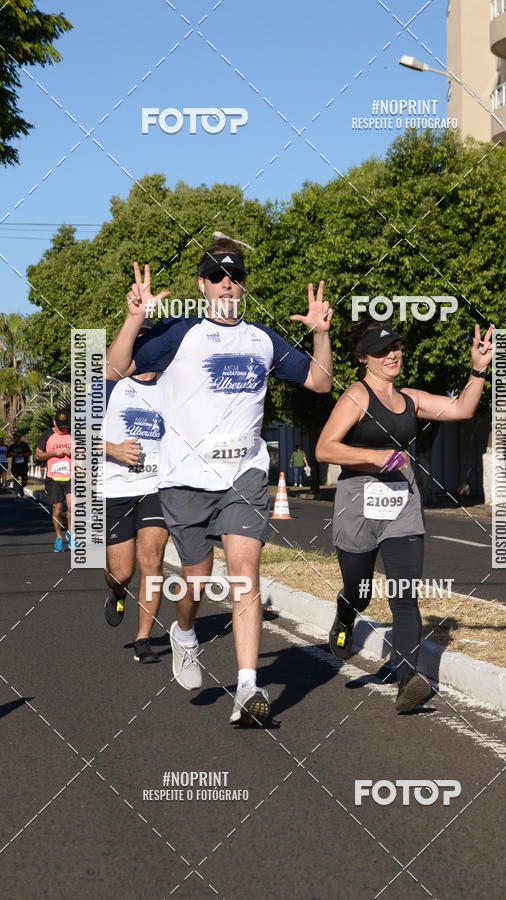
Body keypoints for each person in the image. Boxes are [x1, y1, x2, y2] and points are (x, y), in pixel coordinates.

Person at [106, 237, 333, 724]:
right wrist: (134, 318)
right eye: (217, 277)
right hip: (185, 478)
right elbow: (116, 367)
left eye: (235, 277)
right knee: (196, 582)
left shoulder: (262, 339)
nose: (227, 283)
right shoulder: (179, 334)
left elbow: (319, 381)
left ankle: (248, 690)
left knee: (244, 576)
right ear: (202, 285)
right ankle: (183, 634)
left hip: (245, 473)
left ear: (243, 284)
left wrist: (319, 333)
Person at [316, 319, 493, 714]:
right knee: (359, 591)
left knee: (403, 595)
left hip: (402, 503)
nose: (392, 354)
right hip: (358, 502)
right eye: (381, 350)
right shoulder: (356, 398)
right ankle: (346, 616)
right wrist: (373, 456)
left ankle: (407, 679)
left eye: (395, 346)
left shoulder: (410, 399)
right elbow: (324, 449)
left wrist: (478, 369)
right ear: (363, 358)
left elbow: (463, 408)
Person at [103, 318, 169, 664]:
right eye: (136, 339)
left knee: (152, 560)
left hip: (156, 487)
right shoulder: (111, 386)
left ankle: (144, 638)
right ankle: (116, 592)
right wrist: (114, 450)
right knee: (122, 572)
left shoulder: (172, 386)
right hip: (116, 487)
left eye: (149, 340)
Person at [35, 409, 73, 550]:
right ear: (54, 421)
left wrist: (73, 453)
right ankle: (58, 537)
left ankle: (71, 533)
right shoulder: (47, 435)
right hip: (54, 478)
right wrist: (52, 453)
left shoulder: (73, 434)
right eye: (60, 425)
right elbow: (38, 455)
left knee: (72, 506)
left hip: (72, 476)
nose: (63, 428)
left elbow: (85, 452)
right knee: (57, 510)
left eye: (66, 425)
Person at [7, 432, 32, 500]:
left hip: (23, 466)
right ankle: (16, 495)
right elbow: (7, 455)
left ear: (19, 438)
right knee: (15, 480)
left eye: (16, 437)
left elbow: (30, 453)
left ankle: (21, 488)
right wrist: (12, 454)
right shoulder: (12, 446)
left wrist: (23, 455)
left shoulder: (24, 445)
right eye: (14, 437)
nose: (15, 438)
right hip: (15, 466)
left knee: (25, 481)